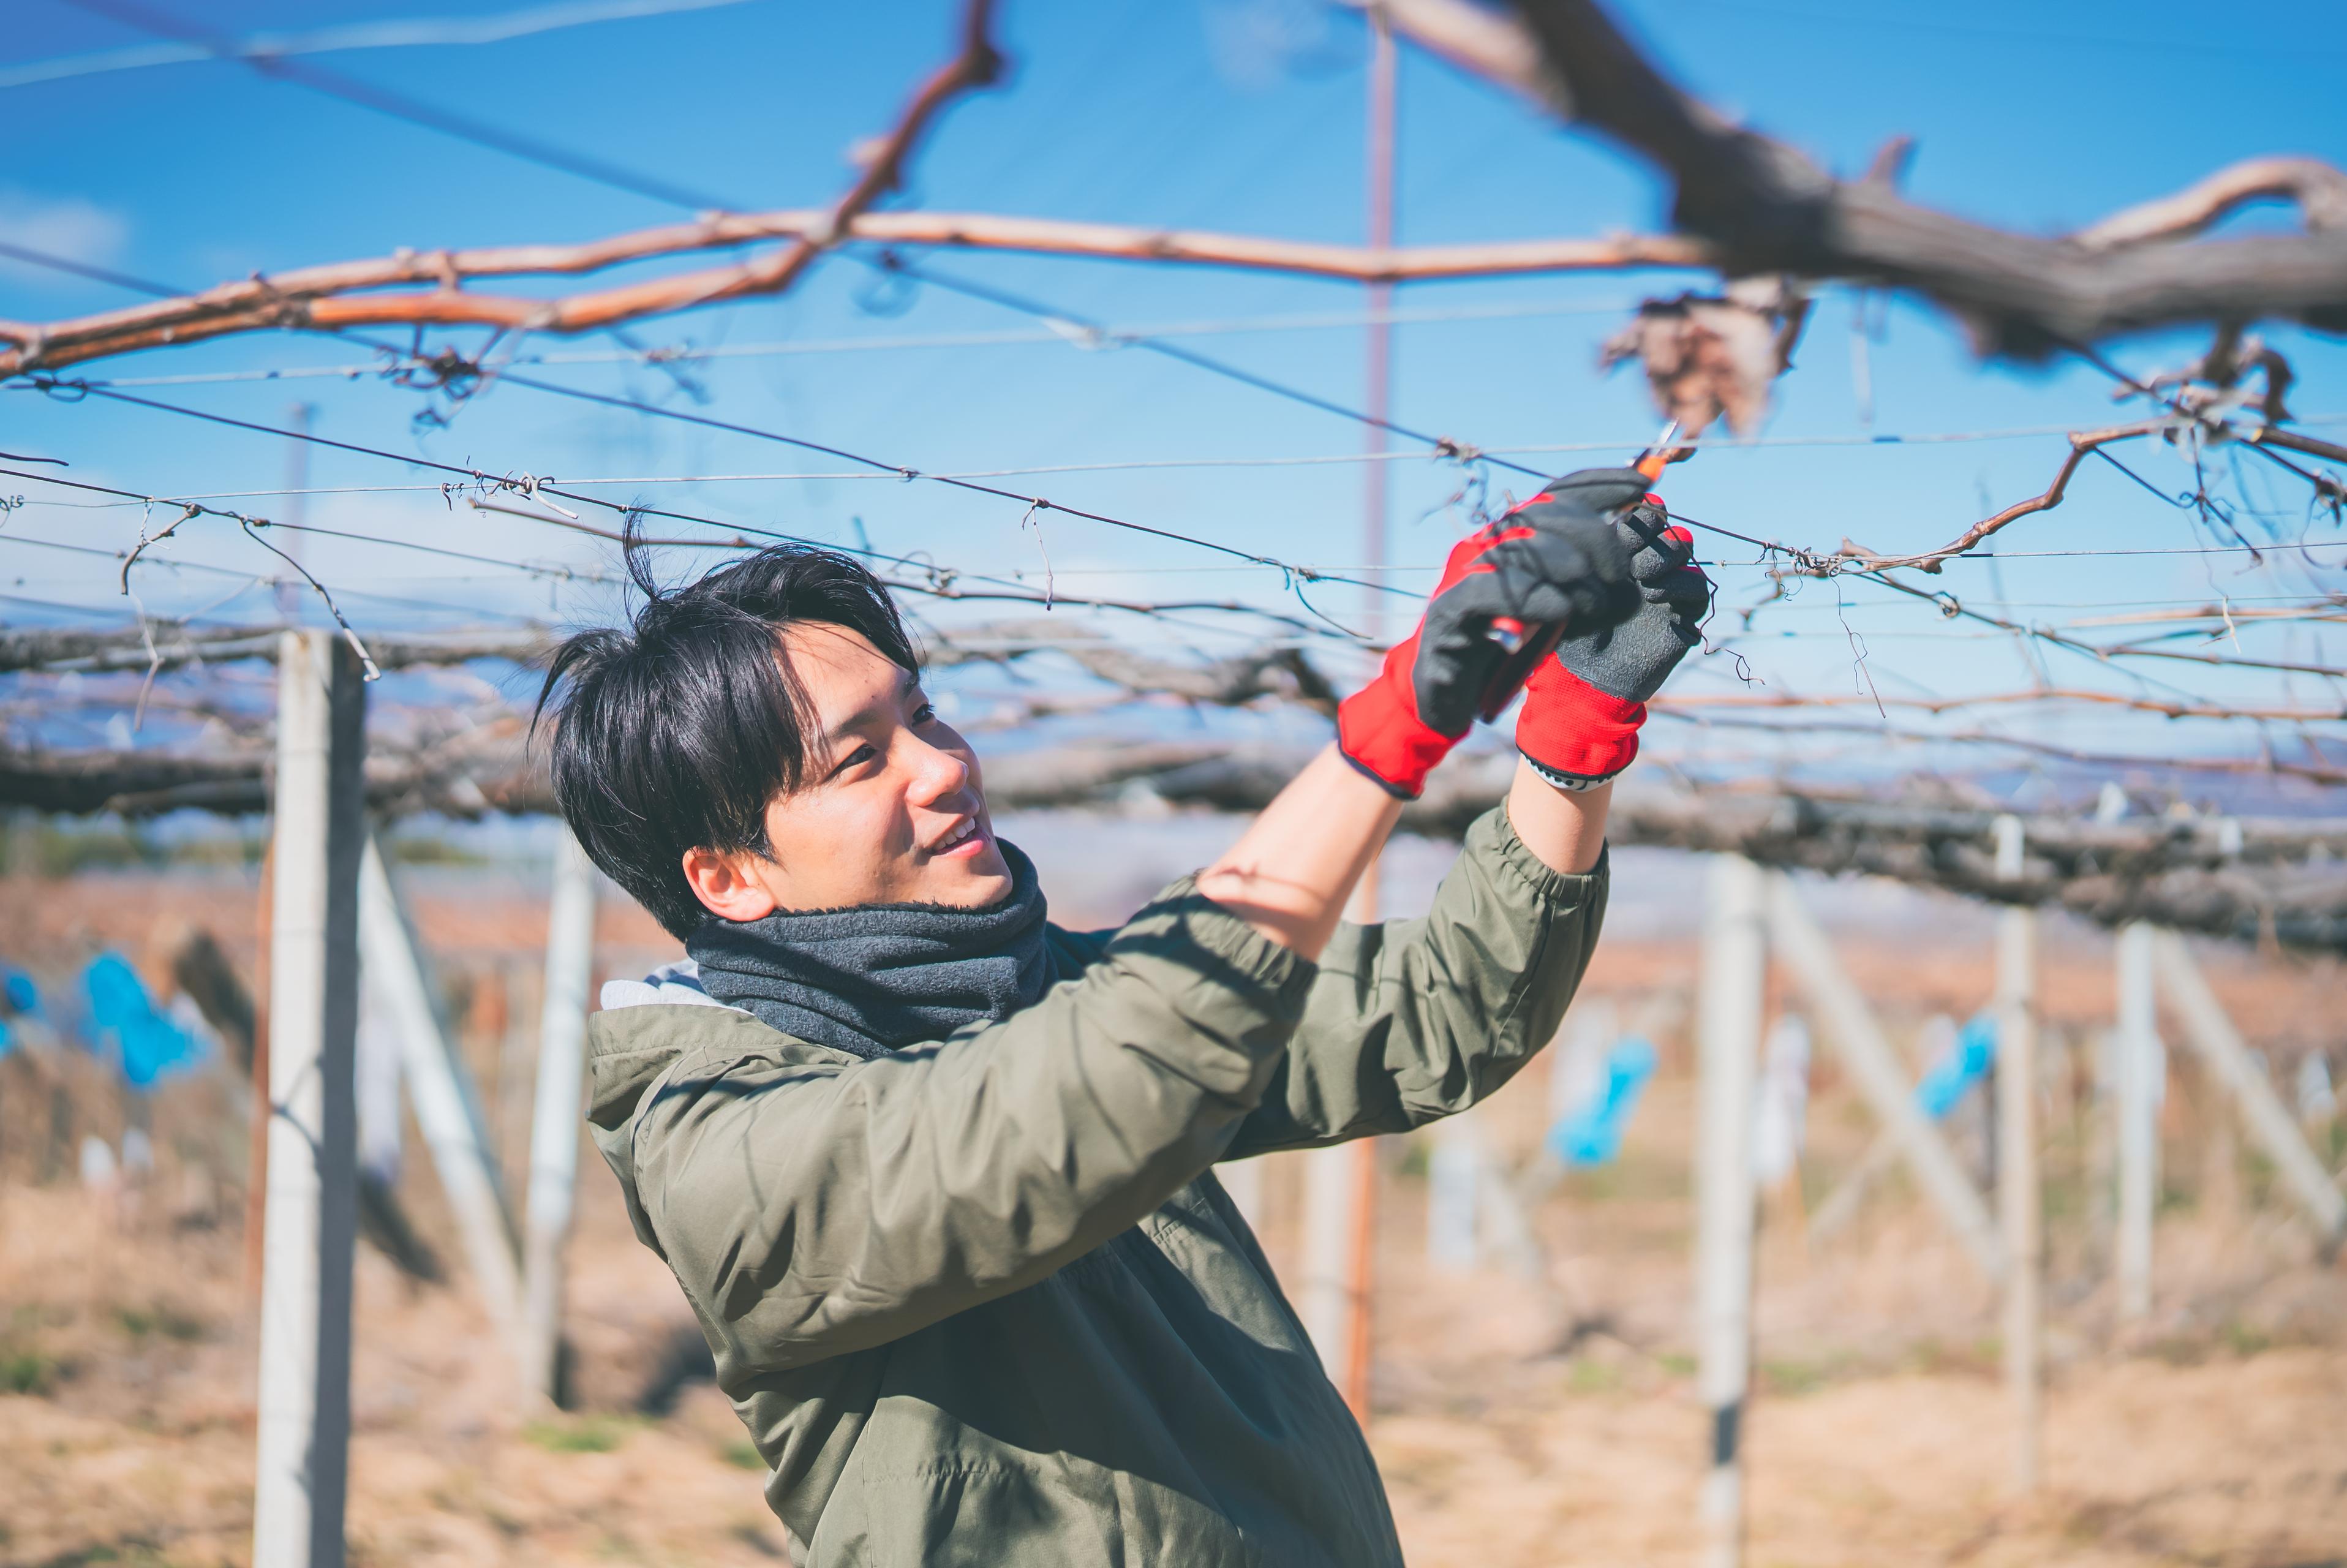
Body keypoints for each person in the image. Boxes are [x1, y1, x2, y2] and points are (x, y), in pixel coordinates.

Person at [537, 468, 1708, 1567]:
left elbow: (1446, 1008)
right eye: (859, 761)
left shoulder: (1050, 992)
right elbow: (1063, 1099)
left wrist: (1573, 737)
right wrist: (1393, 726)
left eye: (927, 716)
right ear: (732, 879)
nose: (944, 767)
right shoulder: (715, 1142)